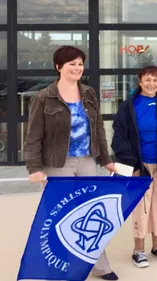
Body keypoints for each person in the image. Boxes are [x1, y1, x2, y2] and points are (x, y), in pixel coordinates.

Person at [23, 46, 119, 280]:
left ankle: (100, 267)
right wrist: (34, 168)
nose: (78, 68)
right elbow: (33, 137)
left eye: (80, 64)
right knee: (59, 215)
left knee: (91, 214)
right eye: (72, 64)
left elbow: (97, 129)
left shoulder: (88, 93)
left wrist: (105, 160)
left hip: (86, 161)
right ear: (59, 67)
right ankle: (59, 264)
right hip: (58, 164)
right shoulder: (43, 97)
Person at [111, 65, 157, 267]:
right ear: (139, 82)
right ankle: (139, 250)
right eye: (147, 80)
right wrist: (132, 164)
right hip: (140, 165)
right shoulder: (128, 106)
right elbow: (119, 138)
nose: (151, 83)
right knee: (142, 207)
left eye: (155, 80)